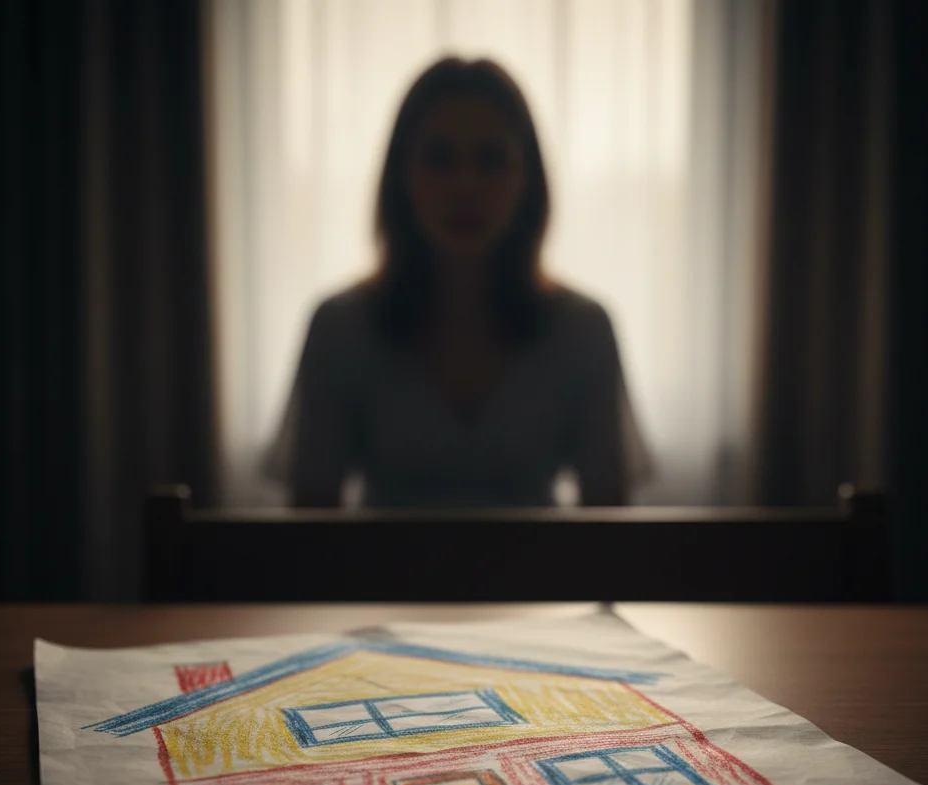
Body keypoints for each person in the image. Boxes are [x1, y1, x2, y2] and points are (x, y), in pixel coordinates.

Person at [265, 56, 651, 508]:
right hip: (378, 580)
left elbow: (609, 529)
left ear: (527, 179)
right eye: (439, 159)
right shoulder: (340, 328)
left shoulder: (583, 330)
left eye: (491, 160)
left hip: (542, 579)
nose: (465, 186)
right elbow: (308, 527)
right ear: (401, 175)